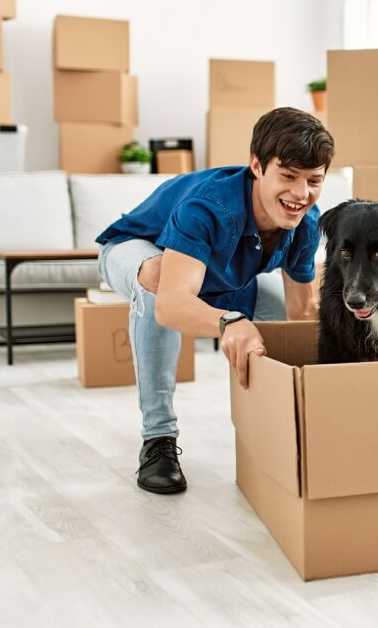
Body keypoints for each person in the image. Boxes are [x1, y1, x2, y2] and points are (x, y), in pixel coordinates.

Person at [96, 107, 334, 495]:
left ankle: (290, 428)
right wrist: (230, 323)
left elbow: (300, 313)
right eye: (288, 177)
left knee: (280, 318)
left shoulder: (306, 222)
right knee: (158, 279)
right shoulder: (209, 208)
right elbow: (172, 306)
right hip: (136, 253)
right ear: (257, 166)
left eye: (314, 180)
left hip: (214, 278)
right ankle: (158, 440)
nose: (300, 194)